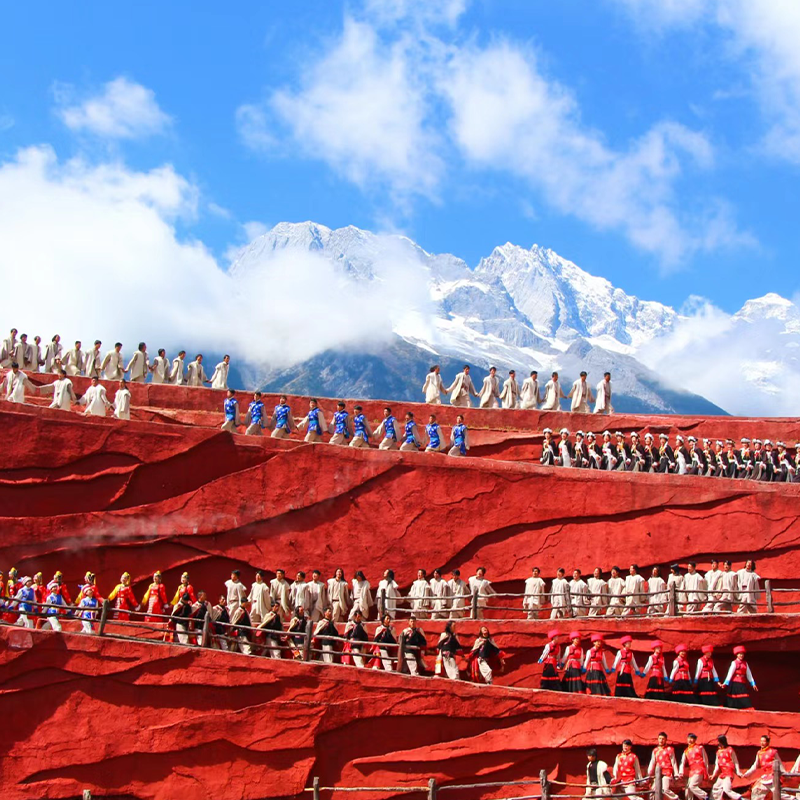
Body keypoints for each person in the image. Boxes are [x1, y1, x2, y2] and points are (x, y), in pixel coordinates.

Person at [742, 735, 784, 800]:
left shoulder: (773, 752)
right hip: (766, 777)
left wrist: (785, 773)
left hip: (773, 776)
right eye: (761, 741)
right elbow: (755, 766)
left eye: (764, 741)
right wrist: (747, 774)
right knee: (756, 791)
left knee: (779, 794)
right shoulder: (759, 753)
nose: (762, 743)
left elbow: (779, 763)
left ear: (767, 742)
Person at [709, 735, 743, 800]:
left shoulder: (730, 750)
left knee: (726, 790)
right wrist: (713, 775)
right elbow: (717, 765)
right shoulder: (718, 752)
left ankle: (740, 798)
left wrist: (738, 772)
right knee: (715, 788)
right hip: (722, 773)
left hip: (728, 773)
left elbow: (735, 761)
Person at [648, 733, 680, 800]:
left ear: (666, 740)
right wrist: (649, 773)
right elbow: (652, 762)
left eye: (663, 739)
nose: (661, 740)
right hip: (658, 774)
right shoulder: (655, 750)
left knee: (664, 790)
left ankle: (676, 798)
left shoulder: (670, 749)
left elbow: (673, 761)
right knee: (652, 791)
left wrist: (676, 773)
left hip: (667, 773)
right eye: (660, 738)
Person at [680, 733, 709, 800]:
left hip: (699, 770)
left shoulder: (700, 748)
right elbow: (682, 762)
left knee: (692, 786)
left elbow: (705, 760)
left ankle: (705, 797)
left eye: (692, 738)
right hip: (692, 772)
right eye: (689, 738)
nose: (690, 740)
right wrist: (680, 773)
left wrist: (706, 772)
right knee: (688, 790)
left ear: (695, 740)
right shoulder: (686, 751)